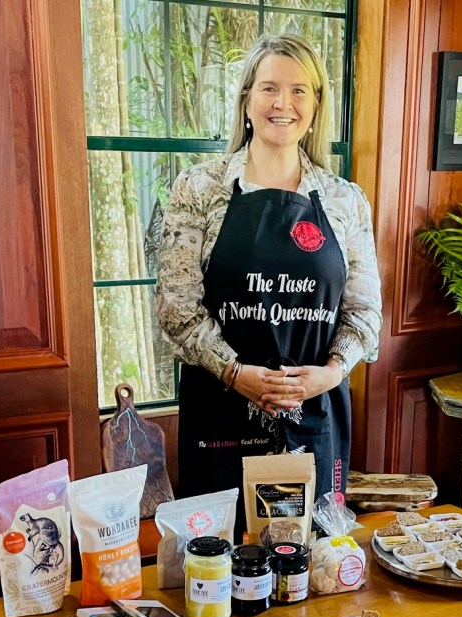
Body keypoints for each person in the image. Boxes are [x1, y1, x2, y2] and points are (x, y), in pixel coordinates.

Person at [154, 34, 381, 508]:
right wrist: (237, 374)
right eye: (269, 88)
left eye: (300, 90)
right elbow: (176, 307)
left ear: (316, 104)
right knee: (222, 564)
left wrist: (329, 373)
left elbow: (364, 313)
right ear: (247, 98)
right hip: (221, 410)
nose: (284, 103)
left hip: (315, 411)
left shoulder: (345, 200)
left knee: (311, 561)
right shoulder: (198, 188)